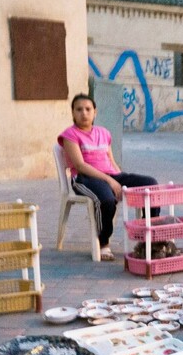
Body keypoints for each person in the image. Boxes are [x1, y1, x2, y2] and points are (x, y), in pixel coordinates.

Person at [58, 94, 159, 261]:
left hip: (112, 175)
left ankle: (148, 236)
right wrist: (111, 182)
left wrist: (119, 180)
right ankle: (103, 242)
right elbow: (81, 166)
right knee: (106, 199)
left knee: (150, 185)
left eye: (88, 109)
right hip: (85, 179)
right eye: (79, 109)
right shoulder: (70, 135)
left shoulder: (104, 133)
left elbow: (111, 161)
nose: (84, 113)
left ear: (95, 112)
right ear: (73, 113)